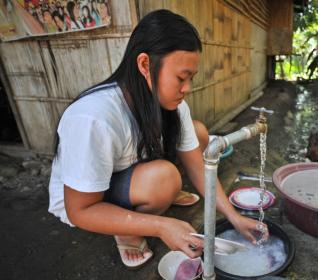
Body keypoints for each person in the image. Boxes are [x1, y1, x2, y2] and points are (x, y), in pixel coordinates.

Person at [48, 9, 268, 269]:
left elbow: (198, 166)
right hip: (89, 198)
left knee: (198, 133)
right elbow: (79, 210)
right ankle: (127, 228)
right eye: (180, 78)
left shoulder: (170, 105)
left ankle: (155, 196)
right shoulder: (93, 118)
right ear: (144, 65)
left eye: (191, 78)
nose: (187, 88)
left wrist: (233, 217)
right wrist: (161, 226)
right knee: (165, 178)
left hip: (126, 172)